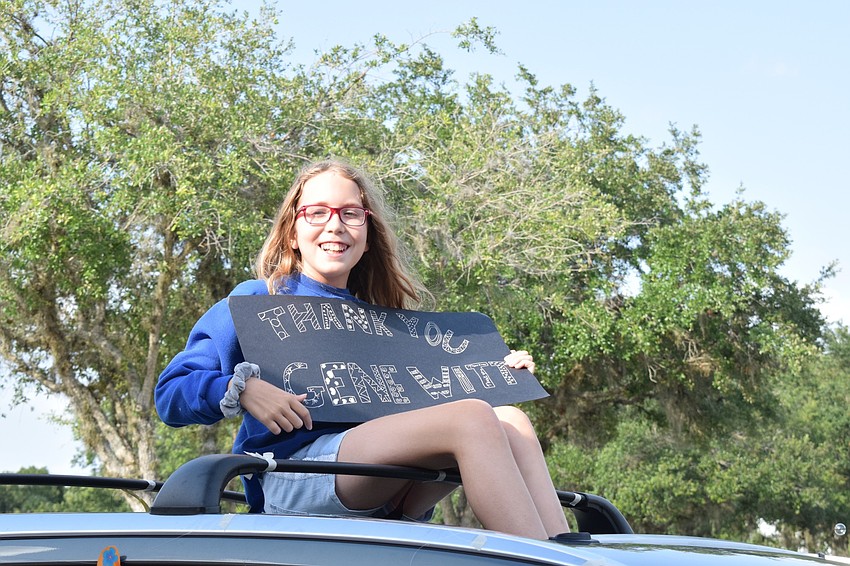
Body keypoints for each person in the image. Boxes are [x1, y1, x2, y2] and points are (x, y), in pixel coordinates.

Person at [155, 159, 570, 540]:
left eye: (350, 214)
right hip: (292, 476)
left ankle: (564, 545)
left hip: (389, 483)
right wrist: (242, 389)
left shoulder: (385, 322)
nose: (335, 226)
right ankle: (541, 557)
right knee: (472, 417)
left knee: (509, 418)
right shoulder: (255, 300)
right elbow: (171, 394)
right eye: (317, 213)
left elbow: (432, 400)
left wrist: (495, 374)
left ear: (367, 236)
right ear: (292, 233)